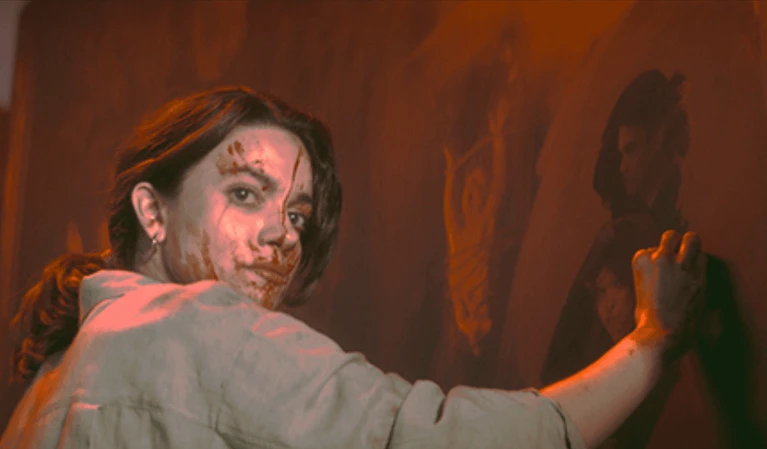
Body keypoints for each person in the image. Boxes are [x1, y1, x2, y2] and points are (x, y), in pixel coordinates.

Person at [0, 86, 705, 449]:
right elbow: (438, 441)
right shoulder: (193, 325)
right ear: (152, 211)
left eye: (298, 214)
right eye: (245, 194)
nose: (281, 234)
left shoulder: (51, 382)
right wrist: (650, 342)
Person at [541, 70, 691, 448]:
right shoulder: (621, 236)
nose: (624, 166)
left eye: (633, 150)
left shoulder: (665, 234)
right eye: (621, 153)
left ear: (661, 141)